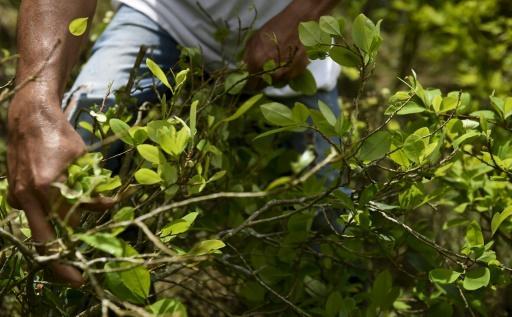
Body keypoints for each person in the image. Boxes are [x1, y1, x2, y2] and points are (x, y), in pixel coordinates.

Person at [7, 0, 340, 287]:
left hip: (287, 47)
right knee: (80, 164)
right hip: (162, 14)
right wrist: (37, 102)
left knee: (328, 229)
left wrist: (303, 13)